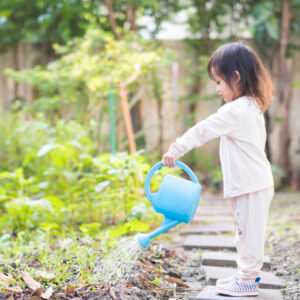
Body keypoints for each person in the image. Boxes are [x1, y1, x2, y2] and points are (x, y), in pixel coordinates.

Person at [162, 41, 274, 297]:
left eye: (219, 82)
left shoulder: (236, 110)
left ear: (235, 78)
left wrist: (176, 149)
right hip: (251, 184)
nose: (217, 89)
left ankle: (247, 281)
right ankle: (245, 276)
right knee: (245, 233)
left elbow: (203, 129)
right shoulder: (251, 106)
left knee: (249, 235)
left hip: (251, 185)